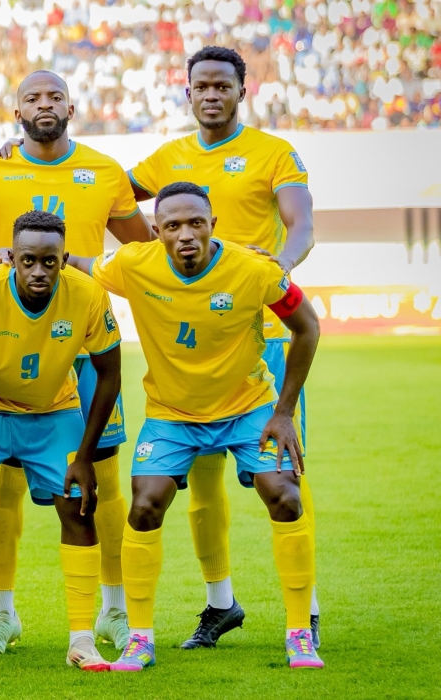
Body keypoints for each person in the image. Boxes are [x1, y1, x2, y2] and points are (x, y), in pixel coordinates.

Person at [67, 182, 323, 671]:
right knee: (144, 506)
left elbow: (307, 326)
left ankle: (299, 634)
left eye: (195, 223)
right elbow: (78, 263)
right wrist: (8, 253)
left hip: (248, 409)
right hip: (172, 416)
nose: (185, 234)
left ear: (213, 226)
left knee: (285, 494)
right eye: (172, 226)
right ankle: (139, 639)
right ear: (156, 232)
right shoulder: (132, 263)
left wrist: (284, 411)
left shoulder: (254, 269)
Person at [127, 46, 320, 649]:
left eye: (222, 85)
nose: (211, 94)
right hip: (193, 343)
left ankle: (304, 613)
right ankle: (220, 604)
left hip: (259, 341)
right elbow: (110, 200)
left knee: (285, 476)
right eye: (201, 86)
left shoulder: (273, 152)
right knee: (203, 484)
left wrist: (277, 275)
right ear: (188, 94)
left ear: (243, 91)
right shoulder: (169, 158)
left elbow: (302, 224)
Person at [0, 70, 151, 653]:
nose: (44, 104)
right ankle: (2, 613)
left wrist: (84, 270)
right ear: (14, 109)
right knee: (8, 488)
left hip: (82, 337)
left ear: (72, 105)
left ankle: (113, 611)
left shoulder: (105, 171)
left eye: (54, 97)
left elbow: (144, 248)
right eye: (32, 98)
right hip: (13, 337)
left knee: (101, 479)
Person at [0, 210, 123, 677]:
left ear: (63, 261)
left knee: (79, 506)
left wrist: (85, 456)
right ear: (11, 258)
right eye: (29, 260)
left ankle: (81, 641)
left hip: (52, 412)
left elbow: (110, 374)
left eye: (50, 262)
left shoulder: (90, 295)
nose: (40, 271)